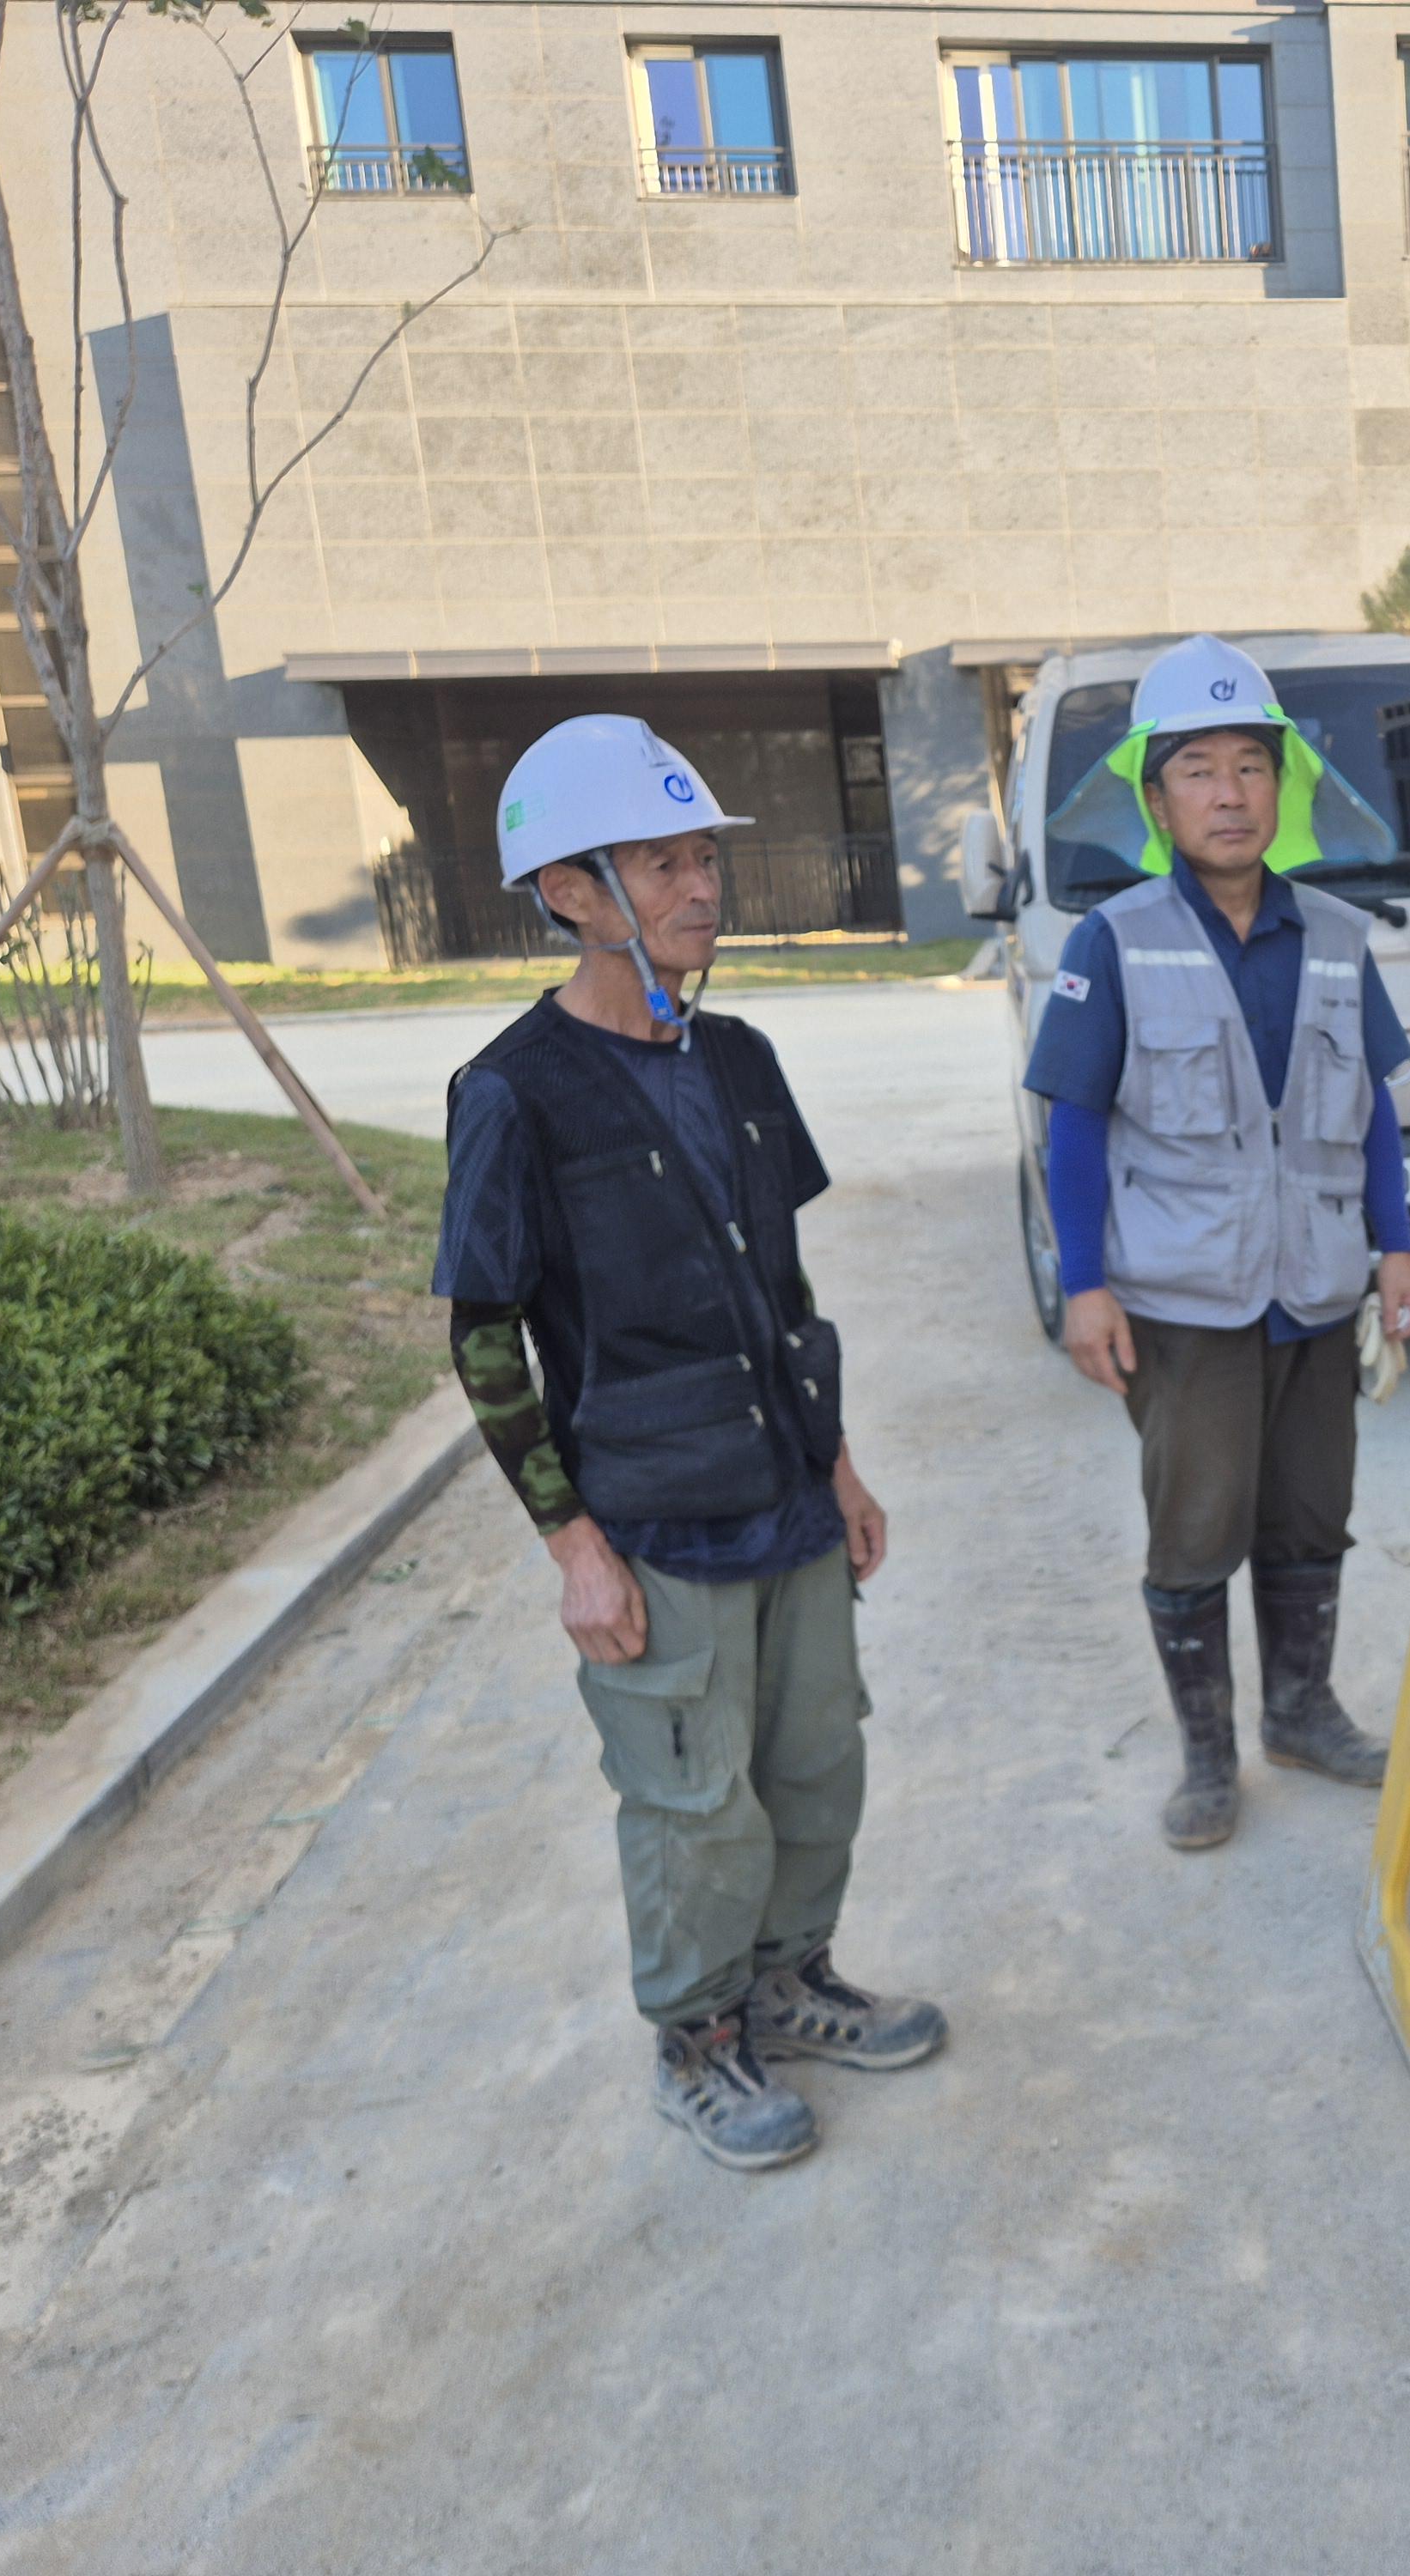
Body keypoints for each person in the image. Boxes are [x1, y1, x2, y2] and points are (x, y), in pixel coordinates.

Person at [435, 714, 941, 2174]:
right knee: (692, 1805)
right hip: (655, 1519)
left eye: (705, 858)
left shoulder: (739, 1058)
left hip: (785, 1495)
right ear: (571, 892)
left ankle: (788, 1982)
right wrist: (573, 1546)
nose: (704, 888)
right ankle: (698, 2035)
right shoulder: (514, 1092)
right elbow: (484, 1337)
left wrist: (836, 1463)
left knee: (816, 1766)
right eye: (661, 864)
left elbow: (781, 1290)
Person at [1021, 635, 1410, 1851]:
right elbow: (1073, 1127)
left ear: (1281, 786)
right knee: (1197, 1529)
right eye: (1197, 770)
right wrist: (1084, 1286)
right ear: (1157, 801)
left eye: (1251, 765)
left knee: (1311, 1517)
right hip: (1184, 1303)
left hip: (1314, 1292)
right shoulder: (1113, 940)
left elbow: (1374, 1109)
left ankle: (1300, 1714)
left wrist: (1397, 1247)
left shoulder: (1339, 937)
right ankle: (1208, 1759)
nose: (1229, 793)